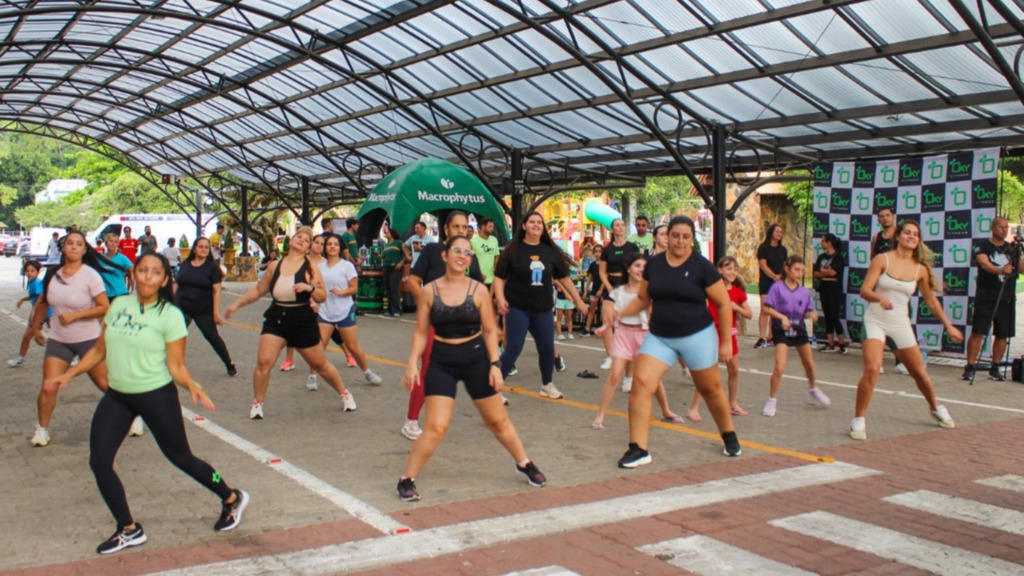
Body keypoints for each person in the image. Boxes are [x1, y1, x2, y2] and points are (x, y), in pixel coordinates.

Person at [46, 253, 249, 555]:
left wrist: (192, 384)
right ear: (134, 274)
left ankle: (230, 495)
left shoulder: (170, 315)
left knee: (182, 458)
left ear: (165, 280)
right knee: (99, 461)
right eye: (143, 271)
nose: (148, 277)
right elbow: (99, 349)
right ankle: (128, 528)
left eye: (156, 273)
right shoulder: (118, 306)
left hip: (156, 395)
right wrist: (70, 373)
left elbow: (176, 365)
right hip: (118, 395)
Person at [396, 235, 546, 502]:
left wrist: (495, 365)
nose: (462, 256)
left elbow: (490, 330)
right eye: (457, 250)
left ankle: (524, 463)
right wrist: (411, 363)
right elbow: (421, 332)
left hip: (475, 358)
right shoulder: (430, 290)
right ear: (445, 255)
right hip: (441, 361)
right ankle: (406, 479)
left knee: (498, 421)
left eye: (467, 253)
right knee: (436, 428)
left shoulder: (477, 289)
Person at [614, 216, 741, 468]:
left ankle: (729, 434)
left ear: (691, 239)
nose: (679, 241)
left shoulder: (701, 266)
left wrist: (726, 341)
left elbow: (724, 303)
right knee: (640, 384)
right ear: (666, 237)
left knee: (710, 390)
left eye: (685, 236)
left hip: (697, 335)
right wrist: (619, 312)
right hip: (661, 336)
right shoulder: (654, 265)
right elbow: (643, 298)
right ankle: (638, 449)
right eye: (675, 235)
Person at [225, 227, 357, 419]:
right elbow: (259, 290)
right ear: (291, 241)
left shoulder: (311, 268)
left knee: (320, 365)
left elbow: (322, 296)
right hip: (277, 317)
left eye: (306, 240)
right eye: (298, 237)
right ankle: (257, 404)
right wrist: (236, 304)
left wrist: (309, 287)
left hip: (302, 319)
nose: (301, 240)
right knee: (264, 362)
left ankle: (344, 393)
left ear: (308, 248)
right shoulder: (274, 265)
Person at [852, 220, 960, 439]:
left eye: (916, 234)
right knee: (873, 368)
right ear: (898, 236)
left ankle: (935, 407)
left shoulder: (920, 270)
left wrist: (948, 326)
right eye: (908, 233)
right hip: (876, 320)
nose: (912, 236)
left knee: (919, 372)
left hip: (900, 323)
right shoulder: (882, 259)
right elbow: (865, 290)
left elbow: (931, 302)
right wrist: (879, 297)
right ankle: (859, 420)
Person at [401, 211, 484, 440]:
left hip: (461, 326)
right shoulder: (431, 251)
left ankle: (490, 409)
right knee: (428, 368)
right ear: (446, 229)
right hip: (435, 322)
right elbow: (413, 282)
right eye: (455, 226)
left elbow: (478, 288)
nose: (460, 230)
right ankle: (411, 421)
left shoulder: (470, 257)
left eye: (464, 226)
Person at [26, 231, 113, 446]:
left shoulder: (90, 275)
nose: (74, 247)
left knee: (106, 385)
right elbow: (44, 302)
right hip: (59, 339)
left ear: (84, 250)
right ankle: (42, 429)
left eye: (79, 244)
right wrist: (36, 327)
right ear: (62, 248)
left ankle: (134, 415)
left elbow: (105, 307)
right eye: (70, 243)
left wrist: (77, 315)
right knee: (48, 385)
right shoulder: (53, 274)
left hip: (88, 339)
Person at [493, 211, 587, 400]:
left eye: (539, 222)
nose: (536, 225)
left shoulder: (549, 251)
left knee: (546, 348)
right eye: (532, 222)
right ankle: (494, 388)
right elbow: (499, 277)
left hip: (543, 309)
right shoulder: (513, 250)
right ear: (524, 226)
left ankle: (547, 385)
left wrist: (578, 300)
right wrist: (500, 298)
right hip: (518, 308)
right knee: (513, 348)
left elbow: (564, 278)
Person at [593, 253, 684, 429]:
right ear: (628, 269)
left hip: (644, 335)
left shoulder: (649, 291)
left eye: (644, 267)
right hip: (623, 334)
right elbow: (612, 317)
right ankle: (600, 415)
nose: (641, 269)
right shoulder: (617, 292)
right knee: (614, 374)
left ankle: (666, 411)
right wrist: (604, 328)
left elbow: (654, 314)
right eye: (637, 265)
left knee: (653, 377)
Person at [760, 255, 831, 417]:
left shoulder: (804, 292)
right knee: (779, 367)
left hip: (799, 330)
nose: (799, 273)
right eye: (796, 270)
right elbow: (767, 308)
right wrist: (782, 317)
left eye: (802, 271)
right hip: (781, 331)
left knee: (810, 365)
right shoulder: (777, 288)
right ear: (787, 269)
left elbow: (806, 311)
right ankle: (772, 400)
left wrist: (811, 314)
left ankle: (813, 388)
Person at [686, 256, 752, 420]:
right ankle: (694, 408)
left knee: (734, 370)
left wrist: (736, 307)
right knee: (708, 372)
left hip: (730, 336)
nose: (733, 272)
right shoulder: (713, 288)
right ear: (720, 270)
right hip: (713, 334)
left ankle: (733, 403)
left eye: (735, 269)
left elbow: (749, 314)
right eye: (729, 269)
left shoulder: (738, 292)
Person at [315, 234, 384, 390]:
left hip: (345, 310)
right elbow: (316, 287)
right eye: (329, 244)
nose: (332, 247)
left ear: (340, 248)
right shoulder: (319, 267)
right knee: (319, 347)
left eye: (335, 244)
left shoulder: (347, 266)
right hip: (325, 311)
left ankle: (367, 372)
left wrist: (341, 292)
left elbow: (354, 287)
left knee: (352, 347)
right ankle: (312, 377)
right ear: (325, 248)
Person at [962, 217, 1021, 381]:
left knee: (1003, 334)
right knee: (978, 332)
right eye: (1001, 226)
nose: (1004, 230)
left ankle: (995, 367)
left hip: (1006, 297)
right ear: (993, 227)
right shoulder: (984, 245)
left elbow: (1021, 268)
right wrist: (1001, 271)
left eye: (1006, 227)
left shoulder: (1011, 248)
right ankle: (970, 366)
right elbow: (984, 264)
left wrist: (1019, 253)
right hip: (986, 296)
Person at [175, 237, 236, 377]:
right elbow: (177, 284)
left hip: (203, 310)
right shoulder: (185, 265)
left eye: (206, 247)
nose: (203, 249)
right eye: (200, 246)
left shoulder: (212, 267)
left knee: (212, 337)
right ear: (194, 248)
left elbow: (217, 291)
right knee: (173, 337)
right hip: (182, 307)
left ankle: (229, 364)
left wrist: (216, 312)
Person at [599, 218, 640, 370]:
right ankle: (610, 355)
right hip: (612, 284)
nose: (620, 228)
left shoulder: (632, 247)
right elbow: (602, 272)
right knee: (607, 320)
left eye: (623, 225)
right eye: (617, 225)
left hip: (627, 284)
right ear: (612, 229)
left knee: (629, 321)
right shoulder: (607, 250)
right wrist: (609, 287)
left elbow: (638, 267)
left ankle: (630, 354)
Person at [870, 206, 907, 374]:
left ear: (894, 217)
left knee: (899, 325)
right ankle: (877, 361)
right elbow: (873, 260)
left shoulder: (902, 236)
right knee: (878, 324)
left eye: (887, 215)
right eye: (881, 216)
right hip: (880, 288)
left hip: (898, 287)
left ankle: (901, 362)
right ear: (878, 220)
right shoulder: (876, 237)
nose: (885, 218)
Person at [8, 260, 52, 368]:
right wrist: (23, 299)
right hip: (41, 312)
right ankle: (21, 359)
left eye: (32, 271)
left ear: (38, 272)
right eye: (27, 271)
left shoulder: (37, 282)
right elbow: (34, 296)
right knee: (27, 336)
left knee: (28, 336)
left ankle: (74, 354)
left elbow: (41, 295)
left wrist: (34, 310)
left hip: (47, 312)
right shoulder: (32, 282)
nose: (29, 273)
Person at [813, 233, 849, 354]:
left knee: (834, 315)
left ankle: (842, 343)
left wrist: (823, 272)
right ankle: (830, 343)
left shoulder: (838, 257)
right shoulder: (821, 257)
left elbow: (833, 273)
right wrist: (825, 272)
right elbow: (815, 273)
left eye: (823, 241)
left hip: (835, 288)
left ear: (829, 243)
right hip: (824, 287)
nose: (821, 243)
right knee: (827, 315)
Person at [754, 223, 786, 349]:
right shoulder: (763, 248)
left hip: (779, 283)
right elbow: (763, 265)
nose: (779, 233)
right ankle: (762, 337)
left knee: (775, 310)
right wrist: (774, 276)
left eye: (780, 231)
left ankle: (771, 337)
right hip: (767, 282)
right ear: (771, 233)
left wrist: (782, 277)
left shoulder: (783, 250)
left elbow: (785, 265)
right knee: (765, 309)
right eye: (777, 231)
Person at [98, 233, 134, 298]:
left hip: (120, 293)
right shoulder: (100, 259)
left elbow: (132, 273)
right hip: (105, 295)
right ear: (106, 243)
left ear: (118, 244)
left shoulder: (123, 258)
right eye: (111, 241)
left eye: (115, 242)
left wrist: (131, 290)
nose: (113, 243)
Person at [382, 228, 406, 317]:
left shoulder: (399, 242)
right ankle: (389, 309)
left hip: (396, 267)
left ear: (392, 233)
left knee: (394, 288)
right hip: (386, 267)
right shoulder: (387, 245)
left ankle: (397, 309)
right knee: (387, 288)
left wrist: (400, 263)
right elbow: (384, 256)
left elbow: (405, 254)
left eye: (387, 233)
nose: (386, 234)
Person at [582, 244, 605, 337]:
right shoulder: (592, 265)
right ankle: (587, 328)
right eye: (596, 251)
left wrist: (601, 289)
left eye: (600, 251)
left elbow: (605, 278)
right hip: (595, 289)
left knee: (604, 310)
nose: (598, 254)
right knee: (592, 309)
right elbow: (589, 279)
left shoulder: (605, 264)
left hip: (604, 290)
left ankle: (604, 328)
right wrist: (586, 290)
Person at [470, 217, 500, 287]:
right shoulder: (473, 242)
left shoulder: (494, 240)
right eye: (490, 227)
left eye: (492, 227)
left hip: (492, 279)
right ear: (483, 227)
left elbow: (496, 256)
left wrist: (497, 271)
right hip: (478, 280)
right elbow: (470, 260)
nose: (492, 229)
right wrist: (477, 273)